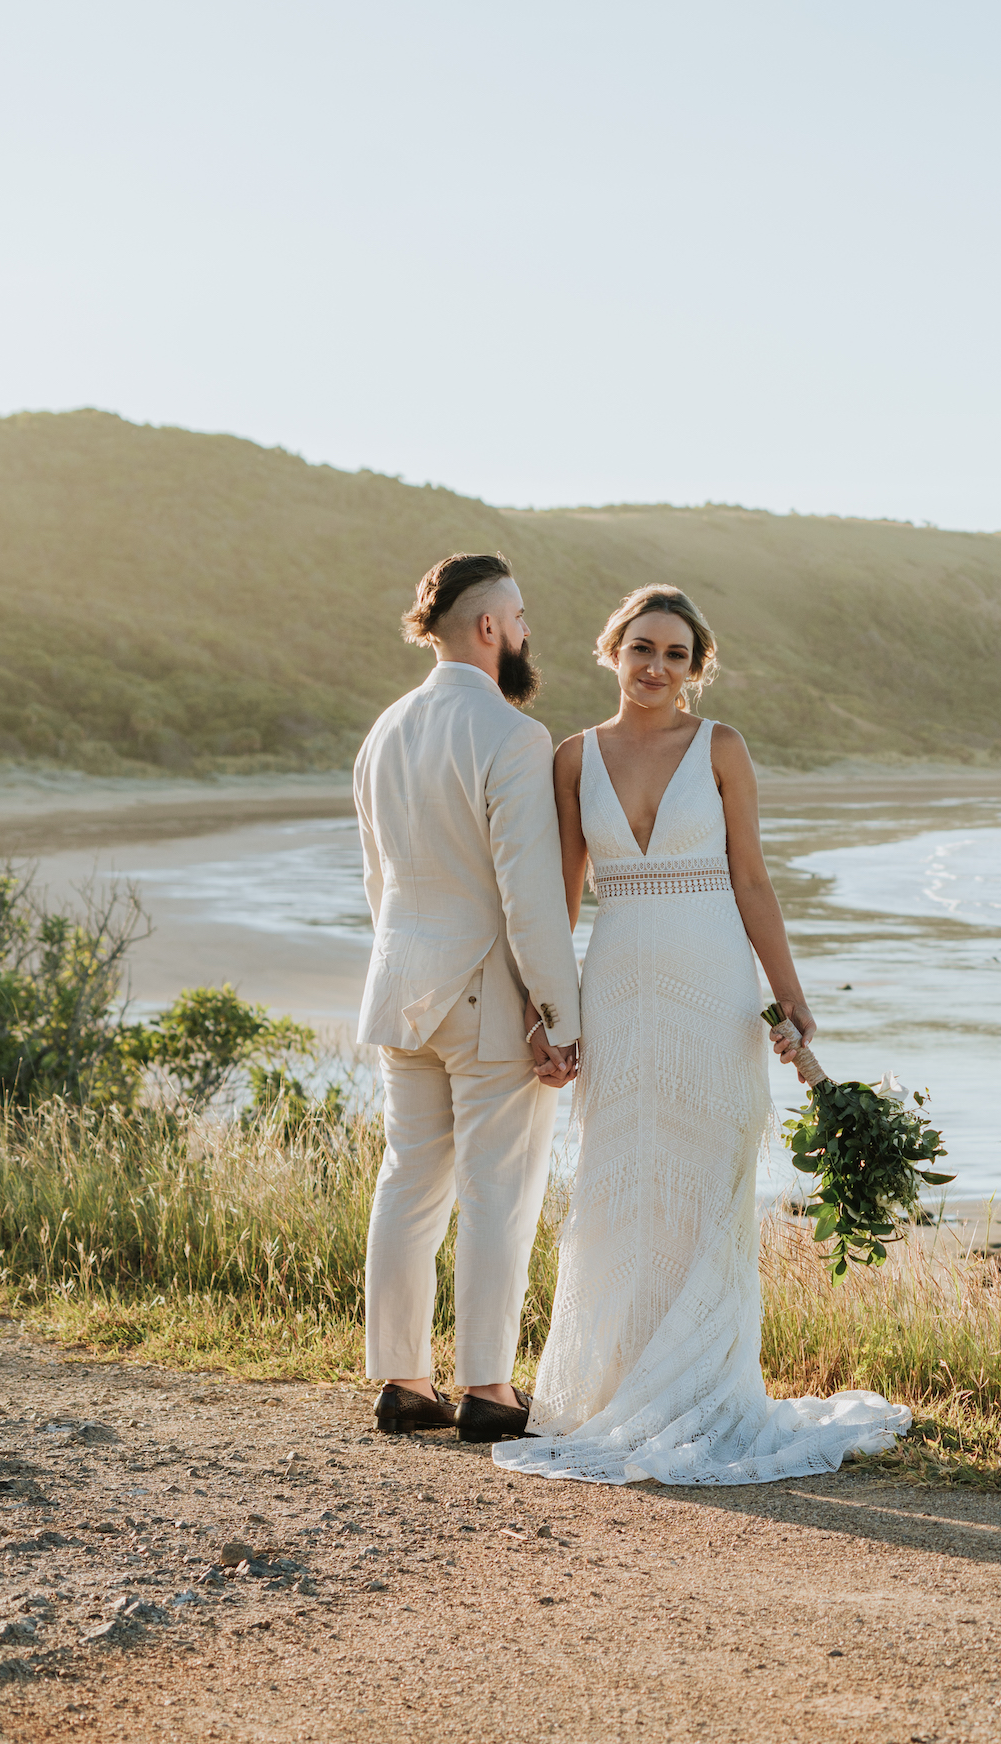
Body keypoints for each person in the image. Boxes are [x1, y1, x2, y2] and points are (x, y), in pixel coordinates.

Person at [493, 584, 909, 1486]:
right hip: (618, 989)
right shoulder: (573, 758)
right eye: (641, 648)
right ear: (612, 650)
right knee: (620, 1182)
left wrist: (790, 999)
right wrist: (545, 1013)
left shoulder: (722, 748)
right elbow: (559, 899)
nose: (656, 667)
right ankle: (615, 1387)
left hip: (715, 986)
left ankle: (706, 1390)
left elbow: (751, 880)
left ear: (695, 667)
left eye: (675, 654)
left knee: (710, 1181)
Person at [353, 553, 583, 1445]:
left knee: (408, 1182)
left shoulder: (383, 731)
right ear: (489, 627)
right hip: (487, 995)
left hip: (400, 988)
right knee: (499, 1192)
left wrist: (400, 969)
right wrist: (557, 1015)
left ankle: (403, 1382)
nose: (525, 634)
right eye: (519, 619)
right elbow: (530, 894)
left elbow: (377, 881)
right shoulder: (513, 735)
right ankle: (488, 1388)